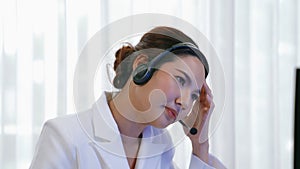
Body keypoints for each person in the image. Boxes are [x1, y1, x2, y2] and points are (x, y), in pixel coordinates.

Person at [29, 26, 225, 169]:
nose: (184, 102)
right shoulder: (63, 136)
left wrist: (200, 144)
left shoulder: (161, 145)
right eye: (181, 80)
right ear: (141, 65)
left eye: (193, 95)